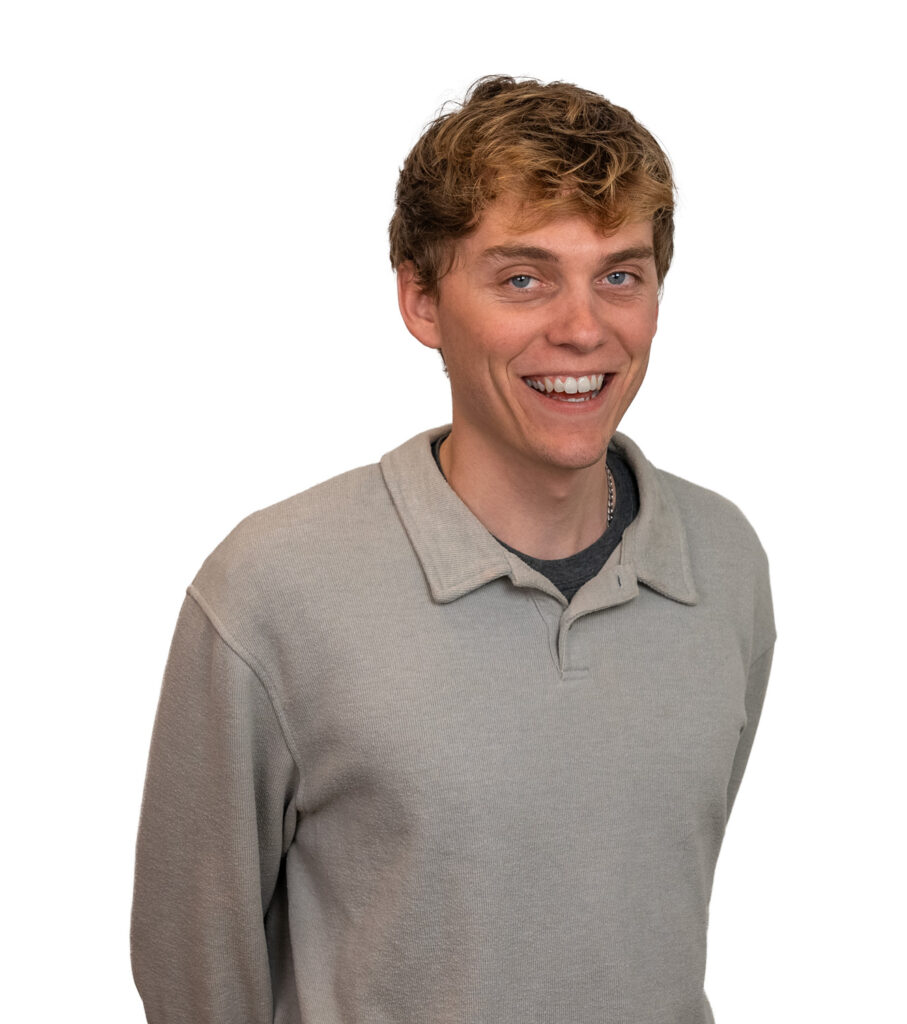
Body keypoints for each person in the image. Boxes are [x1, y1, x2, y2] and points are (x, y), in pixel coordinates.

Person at [131, 75, 775, 1024]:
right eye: (524, 278)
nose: (583, 328)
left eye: (620, 274)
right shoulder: (273, 588)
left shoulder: (724, 561)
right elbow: (196, 977)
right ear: (422, 301)